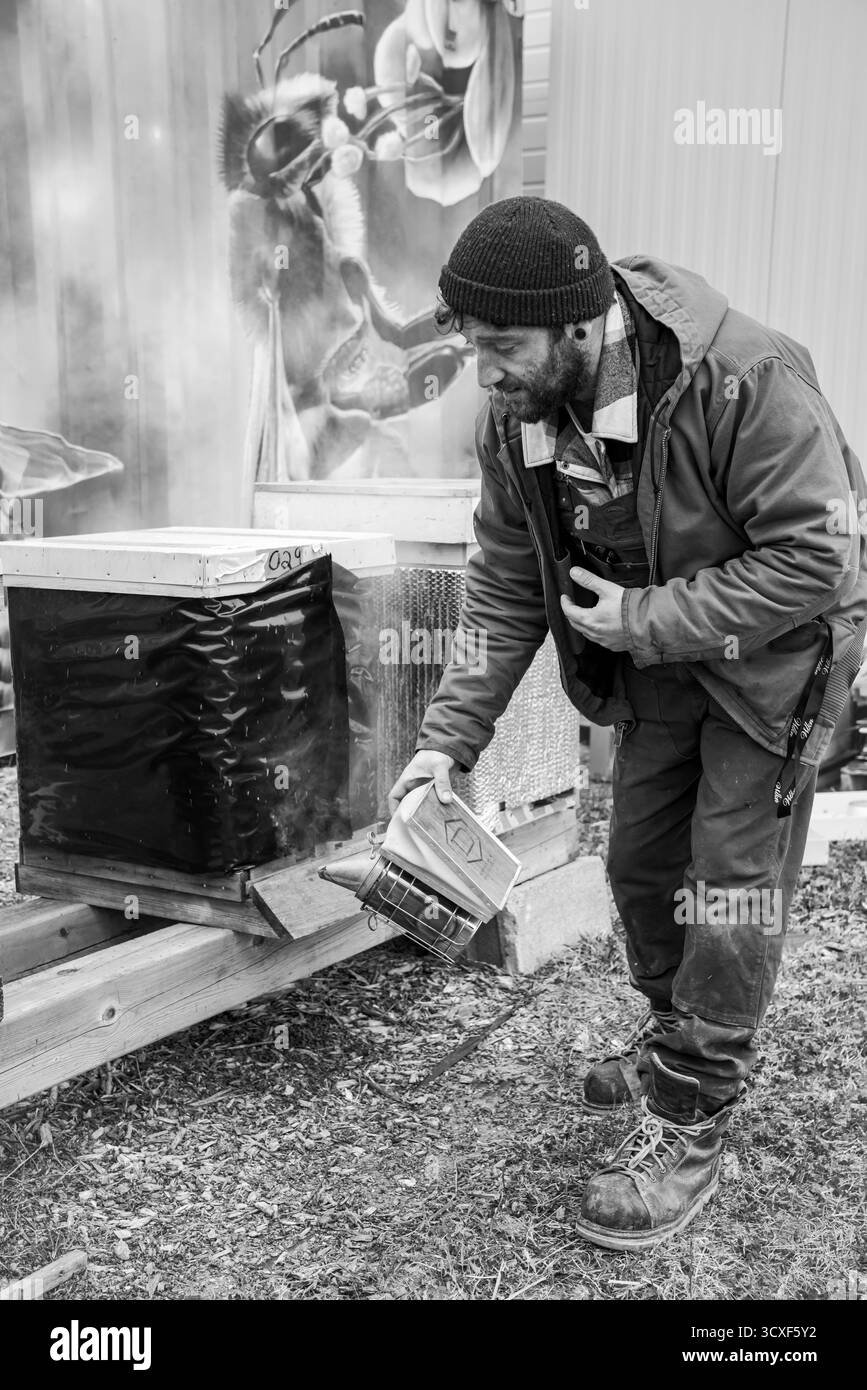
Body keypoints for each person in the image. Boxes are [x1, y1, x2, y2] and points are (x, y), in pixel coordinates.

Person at [386, 196, 867, 1250]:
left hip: (777, 659)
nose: (486, 370)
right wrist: (444, 742)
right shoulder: (518, 418)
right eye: (471, 346)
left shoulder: (744, 380)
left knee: (729, 878)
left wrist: (644, 617)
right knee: (645, 865)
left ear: (577, 324)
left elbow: (818, 558)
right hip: (659, 665)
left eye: (502, 347)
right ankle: (674, 1030)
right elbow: (508, 586)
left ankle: (694, 1114)